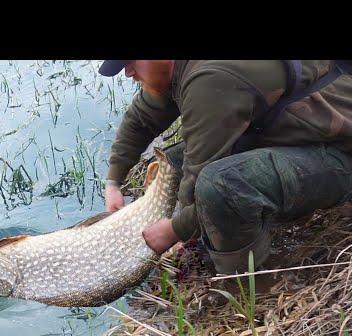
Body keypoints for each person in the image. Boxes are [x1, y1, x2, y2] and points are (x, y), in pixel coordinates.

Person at [99, 60, 352, 273]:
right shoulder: (174, 67)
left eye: (131, 61)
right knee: (176, 161)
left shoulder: (209, 80)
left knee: (221, 186)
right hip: (307, 131)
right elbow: (142, 119)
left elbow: (198, 186)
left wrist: (174, 231)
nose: (128, 72)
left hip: (342, 152)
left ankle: (247, 285)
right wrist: (114, 181)